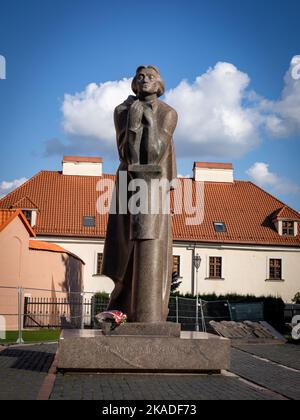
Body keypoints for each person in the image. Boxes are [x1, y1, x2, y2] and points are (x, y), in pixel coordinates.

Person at [101, 65, 178, 322]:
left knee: (150, 242)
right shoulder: (121, 111)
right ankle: (123, 305)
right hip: (128, 182)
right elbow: (126, 152)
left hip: (154, 185)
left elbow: (155, 151)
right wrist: (133, 120)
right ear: (134, 83)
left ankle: (148, 311)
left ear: (160, 85)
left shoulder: (168, 113)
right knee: (125, 245)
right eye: (140, 76)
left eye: (151, 77)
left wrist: (143, 119)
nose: (145, 80)